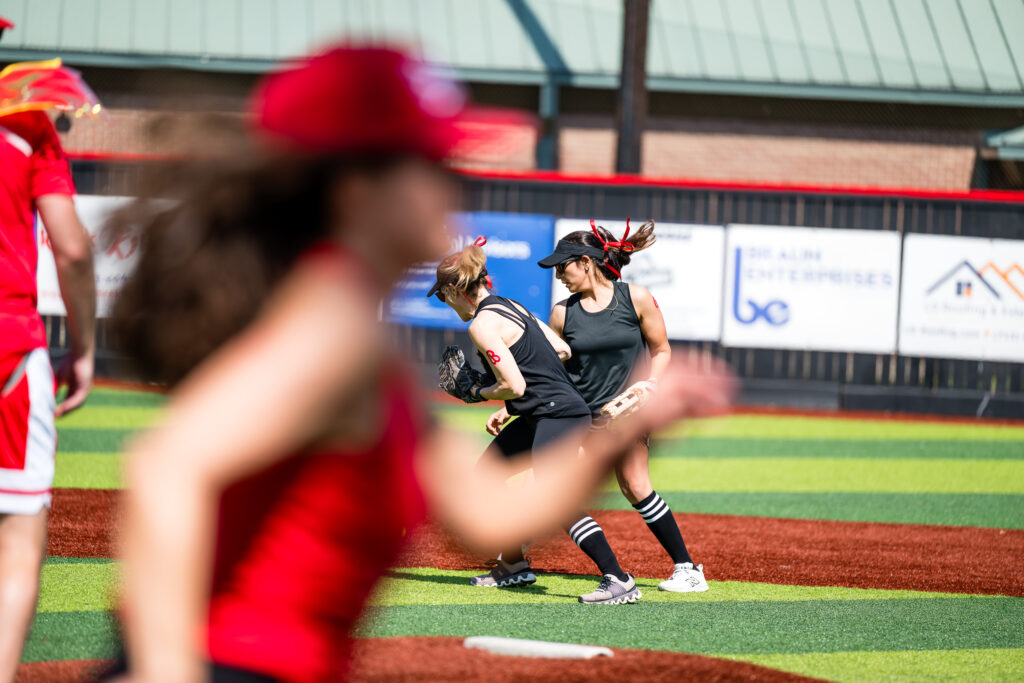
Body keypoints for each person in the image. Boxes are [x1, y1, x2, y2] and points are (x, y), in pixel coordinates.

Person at [110, 46, 734, 683]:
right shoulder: (323, 325)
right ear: (357, 189)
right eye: (430, 163)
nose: (450, 181)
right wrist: (164, 667)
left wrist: (625, 431)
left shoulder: (354, 336)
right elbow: (167, 468)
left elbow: (485, 517)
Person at [429, 241, 639, 604]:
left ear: (453, 290)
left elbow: (515, 384)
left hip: (555, 412)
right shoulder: (509, 305)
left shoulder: (481, 325)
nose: (446, 303)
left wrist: (476, 392)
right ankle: (512, 565)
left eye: (443, 296)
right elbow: (562, 349)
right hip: (546, 410)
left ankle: (619, 579)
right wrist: (518, 393)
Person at [530, 219, 709, 592]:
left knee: (635, 485)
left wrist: (650, 386)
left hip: (629, 414)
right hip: (579, 414)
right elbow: (551, 369)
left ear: (585, 262)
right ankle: (514, 559)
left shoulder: (636, 298)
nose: (559, 275)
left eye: (563, 266)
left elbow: (661, 350)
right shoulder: (562, 312)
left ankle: (687, 570)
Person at [0, 109, 96, 679]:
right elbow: (74, 250)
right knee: (16, 539)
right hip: (9, 345)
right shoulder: (27, 124)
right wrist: (82, 351)